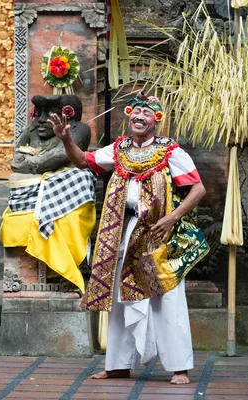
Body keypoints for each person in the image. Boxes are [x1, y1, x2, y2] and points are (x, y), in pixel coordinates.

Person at [49, 92, 210, 385]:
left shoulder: (171, 151)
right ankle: (119, 365)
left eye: (146, 113)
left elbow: (198, 189)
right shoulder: (119, 148)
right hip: (123, 230)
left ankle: (179, 367)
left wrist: (172, 217)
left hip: (159, 236)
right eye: (135, 111)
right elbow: (83, 161)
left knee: (167, 299)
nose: (138, 116)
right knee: (122, 297)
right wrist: (66, 139)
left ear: (156, 120)